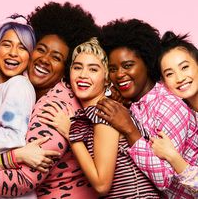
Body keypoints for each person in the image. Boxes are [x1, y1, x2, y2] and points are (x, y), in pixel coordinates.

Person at [0, 1, 100, 198]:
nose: (44, 59)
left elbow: (23, 180)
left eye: (56, 57)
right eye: (41, 49)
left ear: (66, 67)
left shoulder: (51, 104)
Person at [38, 38, 161, 198]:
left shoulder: (105, 114)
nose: (83, 75)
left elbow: (102, 185)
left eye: (93, 69)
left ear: (106, 78)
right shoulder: (97, 112)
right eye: (77, 67)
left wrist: (71, 135)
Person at [96, 19, 198, 198]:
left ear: (147, 63)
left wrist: (130, 130)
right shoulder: (134, 105)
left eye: (128, 66)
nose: (119, 74)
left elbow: (164, 179)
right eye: (113, 69)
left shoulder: (169, 106)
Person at [0, 19, 59, 199]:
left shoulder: (19, 86)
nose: (13, 53)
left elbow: (12, 140)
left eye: (22, 48)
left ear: (29, 56)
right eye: (6, 45)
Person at [149, 31, 198, 196]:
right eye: (169, 73)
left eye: (185, 67)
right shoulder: (178, 114)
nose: (180, 78)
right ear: (163, 82)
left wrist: (172, 156)